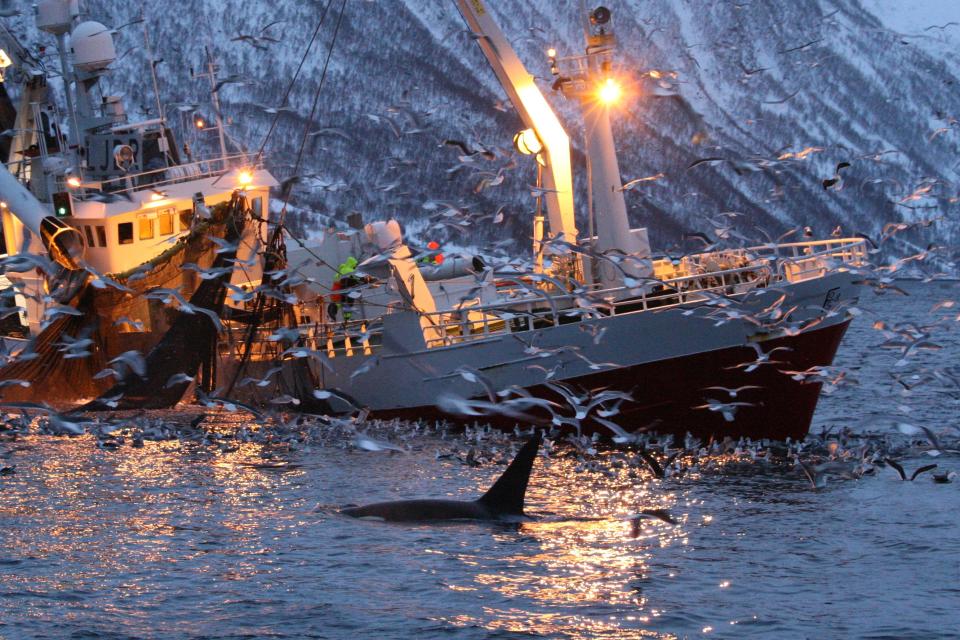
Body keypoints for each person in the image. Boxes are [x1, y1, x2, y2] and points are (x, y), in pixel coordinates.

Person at [328, 257, 360, 322]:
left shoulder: (340, 272)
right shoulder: (349, 270)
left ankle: (332, 310)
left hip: (336, 290)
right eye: (355, 265)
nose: (355, 267)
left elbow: (337, 280)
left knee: (340, 303)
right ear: (352, 264)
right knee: (348, 303)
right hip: (345, 290)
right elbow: (356, 278)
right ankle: (347, 319)